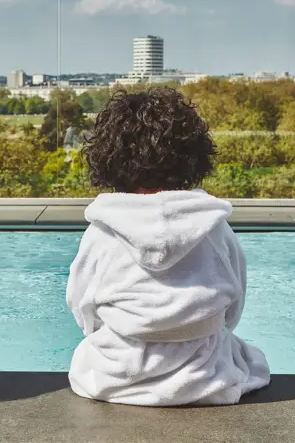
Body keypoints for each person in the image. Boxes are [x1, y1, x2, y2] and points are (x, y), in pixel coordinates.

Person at [66, 88, 270, 406]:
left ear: (108, 156)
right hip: (206, 377)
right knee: (247, 353)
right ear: (193, 155)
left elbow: (83, 310)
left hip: (117, 376)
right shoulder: (215, 229)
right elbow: (233, 309)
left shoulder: (102, 232)